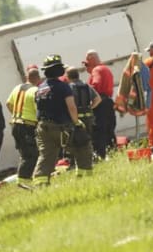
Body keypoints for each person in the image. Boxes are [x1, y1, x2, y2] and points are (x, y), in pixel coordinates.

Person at [32, 55, 86, 186]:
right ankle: (84, 175)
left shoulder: (40, 88)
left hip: (42, 126)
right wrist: (77, 122)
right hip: (60, 126)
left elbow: (37, 107)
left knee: (46, 154)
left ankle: (40, 183)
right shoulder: (63, 87)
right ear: (58, 70)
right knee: (81, 146)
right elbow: (71, 107)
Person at [6, 64, 41, 188]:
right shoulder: (35, 91)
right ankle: (24, 180)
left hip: (15, 125)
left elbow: (8, 103)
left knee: (24, 153)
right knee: (32, 154)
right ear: (38, 79)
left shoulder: (17, 88)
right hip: (27, 126)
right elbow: (39, 110)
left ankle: (24, 178)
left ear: (27, 77)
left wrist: (17, 115)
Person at [65, 66, 101, 174]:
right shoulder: (86, 86)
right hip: (88, 117)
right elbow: (98, 99)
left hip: (76, 119)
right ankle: (89, 162)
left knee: (74, 142)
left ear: (68, 77)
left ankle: (74, 164)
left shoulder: (68, 88)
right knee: (87, 140)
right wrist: (90, 107)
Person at [83, 50, 116, 160]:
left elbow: (95, 85)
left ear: (92, 60)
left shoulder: (97, 69)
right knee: (109, 129)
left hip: (100, 104)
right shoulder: (106, 69)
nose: (86, 67)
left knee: (99, 130)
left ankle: (101, 155)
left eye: (86, 64)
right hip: (108, 102)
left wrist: (85, 95)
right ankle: (112, 152)